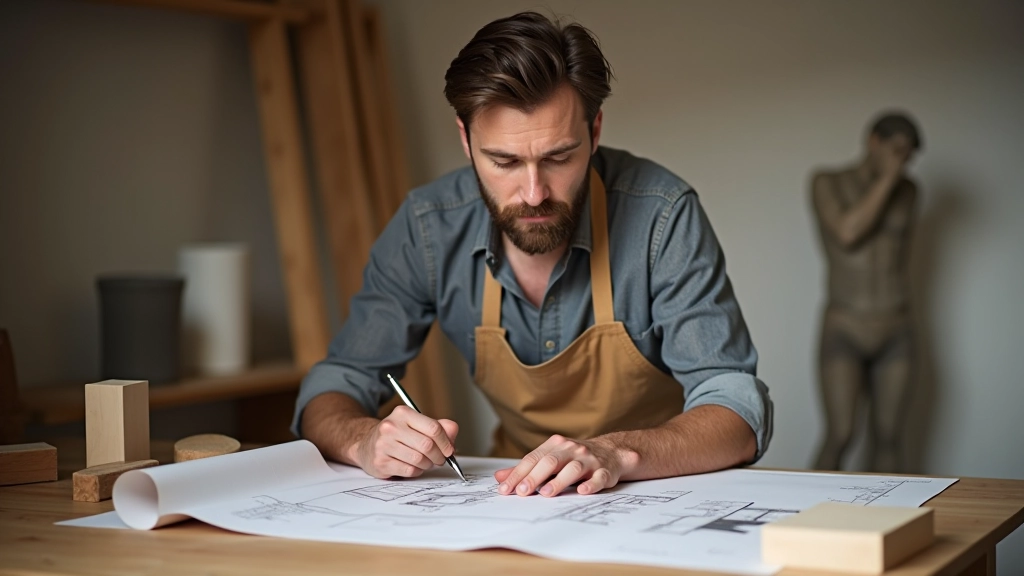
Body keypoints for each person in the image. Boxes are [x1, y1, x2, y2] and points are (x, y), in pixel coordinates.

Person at [292, 11, 772, 498]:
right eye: (504, 162)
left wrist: (615, 454)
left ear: (595, 131)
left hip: (652, 489)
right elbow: (336, 384)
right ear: (466, 139)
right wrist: (363, 440)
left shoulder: (662, 215)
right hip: (514, 500)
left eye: (559, 157)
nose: (535, 192)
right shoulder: (429, 227)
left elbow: (735, 409)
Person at [811, 112, 922, 472]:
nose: (901, 162)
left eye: (908, 156)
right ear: (874, 141)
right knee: (840, 434)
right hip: (845, 324)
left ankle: (891, 524)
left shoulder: (911, 191)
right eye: (896, 150)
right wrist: (889, 176)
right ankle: (808, 523)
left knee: (890, 437)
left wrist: (894, 177)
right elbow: (848, 232)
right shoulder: (826, 182)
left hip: (895, 325)